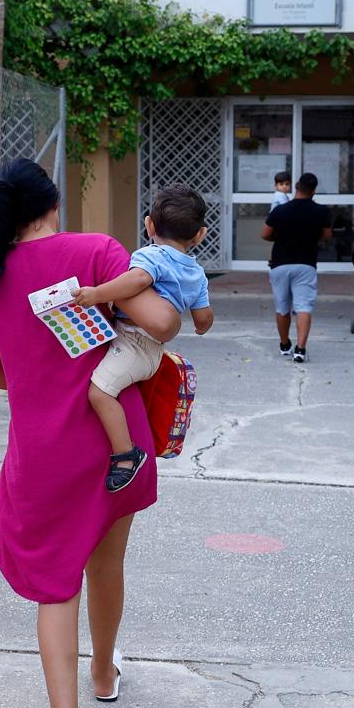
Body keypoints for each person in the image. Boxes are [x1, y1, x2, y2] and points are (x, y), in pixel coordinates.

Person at [0, 158, 181, 708]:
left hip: (44, 453)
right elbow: (164, 322)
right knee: (107, 565)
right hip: (117, 446)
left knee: (56, 590)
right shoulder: (97, 250)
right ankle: (104, 674)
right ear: (53, 206)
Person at [72, 183, 214, 491]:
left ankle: (126, 454)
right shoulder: (198, 274)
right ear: (200, 235)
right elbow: (203, 322)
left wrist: (96, 293)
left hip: (133, 344)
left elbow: (135, 280)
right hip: (151, 349)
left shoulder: (151, 256)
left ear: (149, 224)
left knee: (99, 392)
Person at [261, 171, 332, 363]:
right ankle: (300, 349)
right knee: (303, 307)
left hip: (279, 264)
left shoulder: (281, 210)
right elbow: (327, 236)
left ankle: (285, 344)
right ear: (314, 191)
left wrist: (280, 237)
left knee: (282, 307)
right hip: (306, 265)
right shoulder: (321, 212)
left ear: (296, 187)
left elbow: (265, 234)